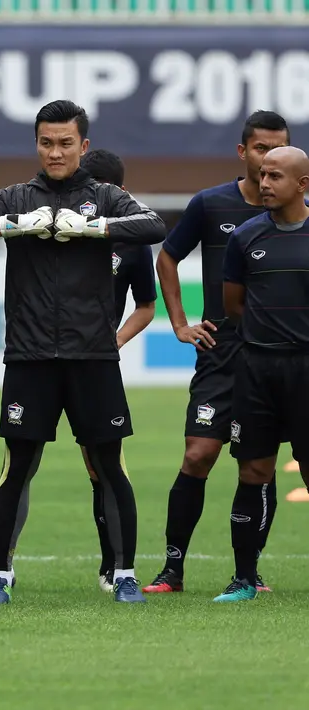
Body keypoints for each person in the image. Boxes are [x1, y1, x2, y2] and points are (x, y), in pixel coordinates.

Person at [0, 99, 166, 605]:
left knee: (110, 466)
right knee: (17, 467)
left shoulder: (106, 197)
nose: (56, 151)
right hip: (30, 356)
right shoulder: (17, 196)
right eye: (47, 142)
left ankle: (125, 573)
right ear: (36, 144)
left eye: (66, 142)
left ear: (83, 146)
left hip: (93, 357)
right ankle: (0, 574)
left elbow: (154, 226)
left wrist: (96, 229)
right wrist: (11, 225)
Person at [143, 111, 291, 595]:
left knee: (259, 465)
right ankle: (172, 570)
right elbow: (166, 256)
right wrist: (180, 323)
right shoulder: (211, 205)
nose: (268, 159)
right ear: (242, 151)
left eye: (278, 150)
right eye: (260, 150)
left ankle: (248, 573)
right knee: (198, 453)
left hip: (280, 358)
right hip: (222, 352)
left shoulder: (295, 214)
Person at [215, 145, 309, 602]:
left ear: (302, 185)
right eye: (262, 174)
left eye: (275, 177)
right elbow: (234, 305)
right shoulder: (246, 236)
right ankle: (244, 578)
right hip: (256, 369)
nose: (264, 183)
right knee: (253, 470)